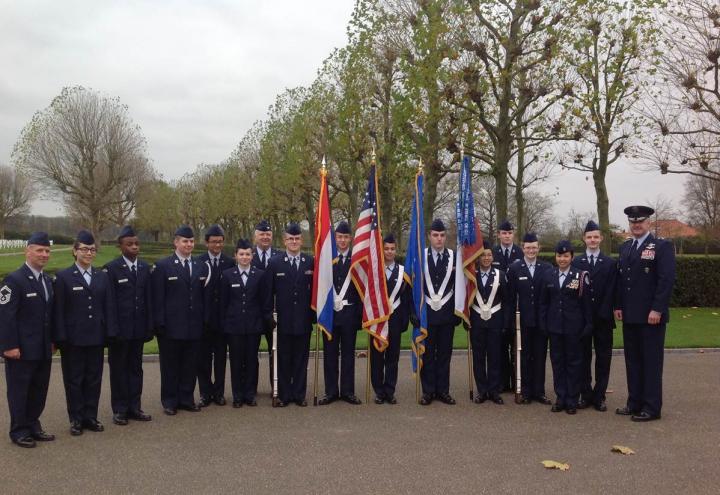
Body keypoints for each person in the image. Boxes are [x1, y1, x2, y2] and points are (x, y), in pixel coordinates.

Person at [614, 205, 676, 422]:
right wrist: (618, 305)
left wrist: (657, 309)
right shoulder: (626, 248)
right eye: (633, 222)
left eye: (640, 221)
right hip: (630, 316)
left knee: (651, 362)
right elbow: (622, 281)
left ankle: (651, 407)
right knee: (633, 361)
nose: (636, 225)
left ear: (649, 222)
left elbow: (665, 280)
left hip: (651, 317)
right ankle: (634, 402)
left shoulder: (662, 246)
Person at [53, 230, 117, 436]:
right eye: (84, 249)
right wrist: (60, 338)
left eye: (92, 249)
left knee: (93, 378)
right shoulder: (63, 277)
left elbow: (109, 307)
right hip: (73, 339)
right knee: (74, 379)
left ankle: (90, 416)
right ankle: (76, 419)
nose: (89, 253)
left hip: (96, 337)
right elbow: (59, 311)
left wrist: (110, 333)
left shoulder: (101, 276)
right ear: (75, 251)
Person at [0, 232, 55, 448]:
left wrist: (52, 341)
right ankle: (19, 430)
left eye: (47, 251)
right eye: (39, 250)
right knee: (19, 390)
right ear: (28, 250)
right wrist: (9, 346)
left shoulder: (47, 280)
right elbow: (5, 316)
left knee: (39, 389)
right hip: (21, 349)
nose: (44, 254)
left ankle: (33, 424)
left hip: (42, 347)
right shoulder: (13, 280)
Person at [151, 225, 210, 416]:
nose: (189, 244)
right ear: (176, 242)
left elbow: (203, 297)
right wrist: (159, 324)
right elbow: (158, 298)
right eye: (185, 241)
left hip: (194, 325)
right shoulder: (163, 266)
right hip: (171, 327)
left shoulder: (201, 265)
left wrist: (204, 321)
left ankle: (186, 398)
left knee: (189, 365)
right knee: (170, 366)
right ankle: (169, 401)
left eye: (192, 241)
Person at [103, 226, 153, 426]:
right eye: (129, 244)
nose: (134, 247)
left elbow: (148, 300)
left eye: (136, 243)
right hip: (120, 332)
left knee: (135, 369)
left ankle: (135, 406)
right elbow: (110, 303)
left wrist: (149, 326)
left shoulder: (144, 268)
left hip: (138, 330)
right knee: (119, 370)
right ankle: (120, 409)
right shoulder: (111, 269)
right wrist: (112, 330)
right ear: (120, 246)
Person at [539, 240, 593, 415]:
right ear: (556, 257)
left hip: (574, 328)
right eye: (559, 256)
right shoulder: (549, 275)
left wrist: (588, 324)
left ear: (572, 257)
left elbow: (586, 304)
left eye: (566, 256)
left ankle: (572, 399)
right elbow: (543, 303)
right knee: (557, 363)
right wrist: (544, 323)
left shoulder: (581, 276)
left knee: (574, 363)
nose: (562, 259)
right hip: (554, 327)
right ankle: (560, 397)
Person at [265, 222, 315, 407]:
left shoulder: (310, 262)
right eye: (290, 239)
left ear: (301, 241)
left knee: (301, 359)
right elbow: (268, 293)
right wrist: (268, 314)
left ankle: (299, 394)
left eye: (297, 238)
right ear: (284, 241)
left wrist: (314, 314)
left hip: (303, 319)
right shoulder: (275, 262)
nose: (294, 242)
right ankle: (285, 394)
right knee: (284, 359)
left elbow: (315, 291)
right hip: (283, 321)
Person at [220, 238, 273, 407]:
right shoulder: (227, 275)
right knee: (236, 361)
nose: (244, 257)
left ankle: (250, 394)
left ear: (252, 256)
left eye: (248, 254)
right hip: (234, 327)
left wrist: (266, 320)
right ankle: (237, 395)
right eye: (241, 254)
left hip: (253, 326)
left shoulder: (260, 275)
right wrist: (225, 324)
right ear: (235, 255)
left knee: (251, 360)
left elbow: (264, 301)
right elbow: (224, 303)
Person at [571, 220, 616, 411]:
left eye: (596, 237)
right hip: (582, 319)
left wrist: (603, 312)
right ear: (584, 239)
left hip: (603, 318)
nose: (592, 240)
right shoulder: (576, 262)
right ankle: (585, 393)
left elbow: (613, 290)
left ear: (601, 238)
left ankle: (600, 395)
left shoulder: (610, 263)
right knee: (583, 357)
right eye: (589, 237)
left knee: (603, 358)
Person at [318, 221, 362, 405]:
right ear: (335, 238)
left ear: (350, 239)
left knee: (348, 354)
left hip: (349, 313)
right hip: (330, 315)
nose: (342, 240)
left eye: (345, 237)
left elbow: (362, 291)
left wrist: (360, 317)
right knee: (329, 354)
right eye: (339, 237)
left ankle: (347, 391)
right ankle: (331, 391)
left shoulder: (357, 260)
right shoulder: (326, 259)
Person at [370, 234, 417, 404]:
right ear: (381, 250)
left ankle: (389, 390)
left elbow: (408, 297)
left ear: (396, 250)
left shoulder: (402, 272)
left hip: (395, 318)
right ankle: (378, 391)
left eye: (392, 249)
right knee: (376, 356)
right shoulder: (374, 271)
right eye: (386, 248)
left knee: (393, 356)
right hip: (377, 320)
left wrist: (411, 314)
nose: (389, 252)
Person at [506, 232, 552, 405]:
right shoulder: (515, 269)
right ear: (522, 248)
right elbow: (510, 298)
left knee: (540, 357)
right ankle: (525, 391)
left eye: (534, 247)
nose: (531, 250)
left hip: (541, 321)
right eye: (528, 247)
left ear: (538, 248)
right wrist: (511, 321)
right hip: (522, 322)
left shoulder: (547, 268)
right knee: (524, 357)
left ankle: (539, 391)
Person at [420, 219, 458, 405]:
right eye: (435, 235)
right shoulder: (420, 256)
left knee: (444, 354)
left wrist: (459, 311)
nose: (439, 239)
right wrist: (415, 311)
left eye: (442, 235)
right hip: (426, 314)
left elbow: (460, 286)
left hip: (447, 315)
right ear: (429, 236)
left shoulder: (454, 256)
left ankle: (443, 390)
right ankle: (428, 391)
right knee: (427, 354)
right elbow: (414, 286)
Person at [197, 224, 234, 407]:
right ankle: (205, 393)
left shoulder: (230, 262)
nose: (217, 245)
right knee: (203, 359)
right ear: (206, 243)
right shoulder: (199, 262)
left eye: (220, 242)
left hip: (223, 320)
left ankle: (219, 392)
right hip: (204, 319)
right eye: (213, 242)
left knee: (220, 359)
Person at [468, 240, 509, 405]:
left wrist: (505, 322)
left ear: (493, 257)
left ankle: (494, 390)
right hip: (476, 321)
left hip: (495, 321)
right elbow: (466, 299)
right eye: (483, 255)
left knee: (494, 357)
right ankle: (482, 390)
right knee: (478, 357)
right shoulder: (471, 275)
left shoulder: (501, 275)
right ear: (478, 257)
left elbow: (507, 300)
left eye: (489, 255)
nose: (486, 258)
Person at [492, 219, 523, 392]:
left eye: (510, 233)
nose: (507, 236)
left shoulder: (521, 252)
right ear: (499, 235)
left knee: (517, 347)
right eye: (504, 233)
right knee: (500, 348)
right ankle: (503, 382)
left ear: (513, 234)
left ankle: (517, 381)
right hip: (496, 306)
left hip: (517, 307)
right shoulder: (492, 253)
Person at [252, 219, 281, 391]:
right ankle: (250, 389)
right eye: (262, 234)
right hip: (253, 314)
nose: (265, 237)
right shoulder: (248, 256)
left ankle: (276, 388)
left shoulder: (280, 256)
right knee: (250, 354)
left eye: (268, 234)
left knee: (275, 353)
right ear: (255, 236)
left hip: (273, 314)